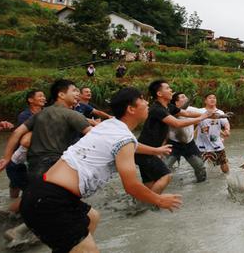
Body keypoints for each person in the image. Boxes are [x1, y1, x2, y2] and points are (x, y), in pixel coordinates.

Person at [19, 87, 183, 253]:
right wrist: (159, 200)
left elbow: (129, 145)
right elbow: (131, 186)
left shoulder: (110, 126)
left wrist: (155, 150)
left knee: (91, 218)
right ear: (131, 109)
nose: (147, 102)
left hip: (39, 192)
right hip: (51, 202)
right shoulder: (123, 138)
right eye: (142, 99)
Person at [134, 80, 211, 194]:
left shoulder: (168, 107)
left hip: (148, 151)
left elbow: (187, 113)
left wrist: (209, 114)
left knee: (150, 184)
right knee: (166, 175)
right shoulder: (157, 109)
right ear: (159, 94)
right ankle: (151, 203)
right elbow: (177, 123)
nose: (171, 90)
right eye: (168, 88)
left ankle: (143, 207)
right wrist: (201, 118)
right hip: (147, 151)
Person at [6, 90, 47, 200]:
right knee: (19, 183)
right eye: (40, 96)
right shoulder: (25, 116)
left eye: (44, 96)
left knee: (24, 184)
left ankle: (13, 204)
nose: (44, 98)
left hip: (35, 154)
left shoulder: (47, 113)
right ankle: (13, 203)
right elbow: (24, 138)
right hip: (21, 153)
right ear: (30, 100)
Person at [164, 92, 207, 182]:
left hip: (189, 144)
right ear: (176, 102)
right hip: (173, 144)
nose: (186, 98)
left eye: (186, 96)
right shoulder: (169, 110)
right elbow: (179, 112)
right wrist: (190, 100)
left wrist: (222, 115)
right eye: (183, 97)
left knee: (200, 167)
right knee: (164, 168)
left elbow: (207, 113)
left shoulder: (191, 109)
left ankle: (201, 187)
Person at [195, 93, 231, 174]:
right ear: (205, 101)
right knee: (199, 165)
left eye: (214, 98)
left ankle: (227, 179)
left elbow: (225, 123)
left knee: (223, 163)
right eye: (210, 98)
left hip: (216, 141)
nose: (212, 99)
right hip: (201, 143)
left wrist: (227, 130)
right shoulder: (200, 111)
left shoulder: (220, 112)